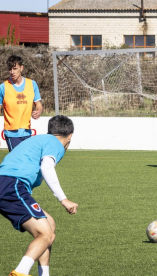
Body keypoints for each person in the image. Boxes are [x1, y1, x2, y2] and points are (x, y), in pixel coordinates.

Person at [0, 115, 78, 276]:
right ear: (70, 135)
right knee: (45, 234)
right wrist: (63, 199)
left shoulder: (39, 140)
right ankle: (20, 272)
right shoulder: (55, 143)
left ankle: (44, 274)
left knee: (49, 225)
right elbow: (47, 167)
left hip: (8, 185)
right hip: (11, 185)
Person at [0, 55, 43, 151]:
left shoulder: (32, 84)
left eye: (15, 68)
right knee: (18, 162)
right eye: (10, 69)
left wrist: (38, 111)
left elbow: (38, 104)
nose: (12, 72)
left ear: (21, 68)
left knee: (26, 162)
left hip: (27, 132)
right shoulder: (3, 87)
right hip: (11, 133)